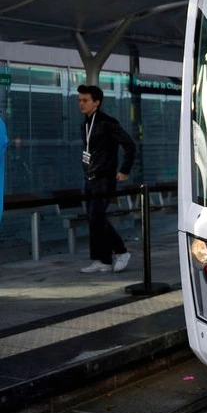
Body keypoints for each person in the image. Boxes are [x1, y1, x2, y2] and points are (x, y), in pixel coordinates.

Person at [77, 84, 136, 273]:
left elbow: (129, 145)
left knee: (96, 217)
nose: (81, 103)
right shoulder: (85, 124)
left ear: (97, 102)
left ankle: (121, 251)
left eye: (85, 100)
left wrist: (124, 170)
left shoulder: (107, 122)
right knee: (92, 218)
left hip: (104, 178)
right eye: (80, 100)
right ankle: (102, 260)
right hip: (90, 178)